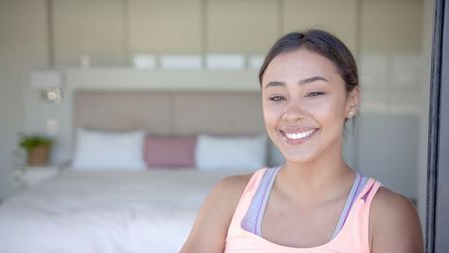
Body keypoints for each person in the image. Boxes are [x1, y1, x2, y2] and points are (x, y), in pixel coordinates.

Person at [180, 29, 423, 253]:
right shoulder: (230, 197)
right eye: (276, 96)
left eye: (314, 93)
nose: (292, 112)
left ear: (352, 100)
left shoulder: (388, 214)